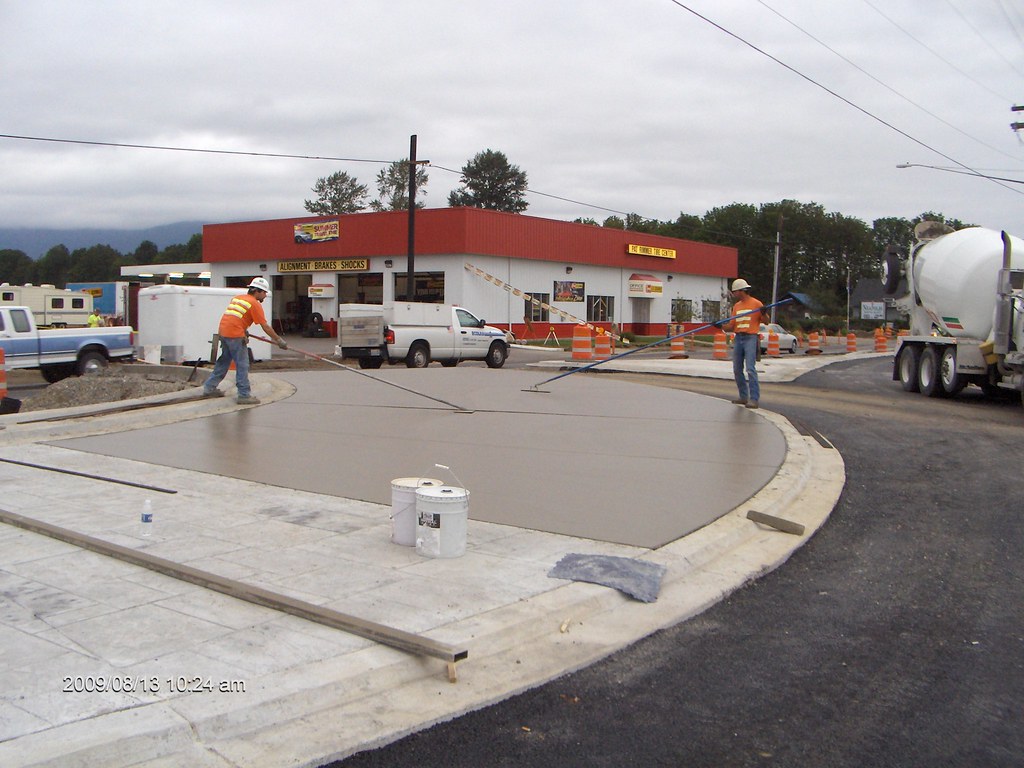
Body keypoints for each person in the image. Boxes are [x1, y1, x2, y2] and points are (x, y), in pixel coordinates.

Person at [202, 277, 288, 405]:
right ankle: (243, 395)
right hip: (235, 334)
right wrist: (279, 340)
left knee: (224, 361)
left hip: (224, 331)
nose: (265, 295)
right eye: (264, 292)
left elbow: (236, 317)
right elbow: (265, 326)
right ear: (258, 291)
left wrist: (243, 330)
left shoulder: (238, 298)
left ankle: (209, 388)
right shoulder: (254, 304)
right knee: (242, 364)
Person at [722, 277, 768, 410]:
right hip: (738, 338)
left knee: (750, 369)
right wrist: (720, 326)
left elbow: (765, 321)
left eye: (735, 292)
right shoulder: (737, 306)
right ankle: (743, 396)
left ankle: (754, 399)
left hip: (750, 338)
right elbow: (732, 326)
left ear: (741, 291)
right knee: (737, 369)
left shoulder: (756, 304)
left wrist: (764, 313)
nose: (734, 294)